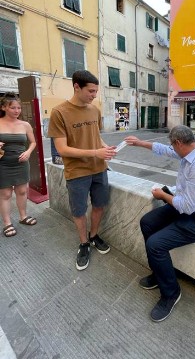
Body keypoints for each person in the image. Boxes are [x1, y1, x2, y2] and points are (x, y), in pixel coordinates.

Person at [125, 125, 195, 322]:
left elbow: (186, 207)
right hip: (186, 208)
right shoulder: (188, 153)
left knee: (155, 244)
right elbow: (163, 150)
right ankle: (159, 274)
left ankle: (171, 293)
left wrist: (162, 195)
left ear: (179, 142)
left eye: (172, 145)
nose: (171, 149)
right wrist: (139, 142)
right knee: (147, 222)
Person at [48, 70, 117, 271]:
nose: (94, 95)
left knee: (99, 205)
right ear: (76, 87)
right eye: (91, 91)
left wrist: (105, 149)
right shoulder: (59, 113)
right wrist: (96, 152)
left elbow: (96, 137)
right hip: (77, 171)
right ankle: (84, 243)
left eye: (96, 91)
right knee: (79, 210)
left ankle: (94, 236)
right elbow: (62, 149)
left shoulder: (94, 110)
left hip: (99, 169)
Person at [0, 93, 37, 237]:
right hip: (3, 164)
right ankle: (7, 223)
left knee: (22, 191)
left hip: (21, 164)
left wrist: (28, 152)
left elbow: (33, 142)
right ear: (3, 107)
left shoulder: (25, 125)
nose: (17, 111)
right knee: (5, 194)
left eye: (19, 108)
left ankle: (23, 217)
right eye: (13, 108)